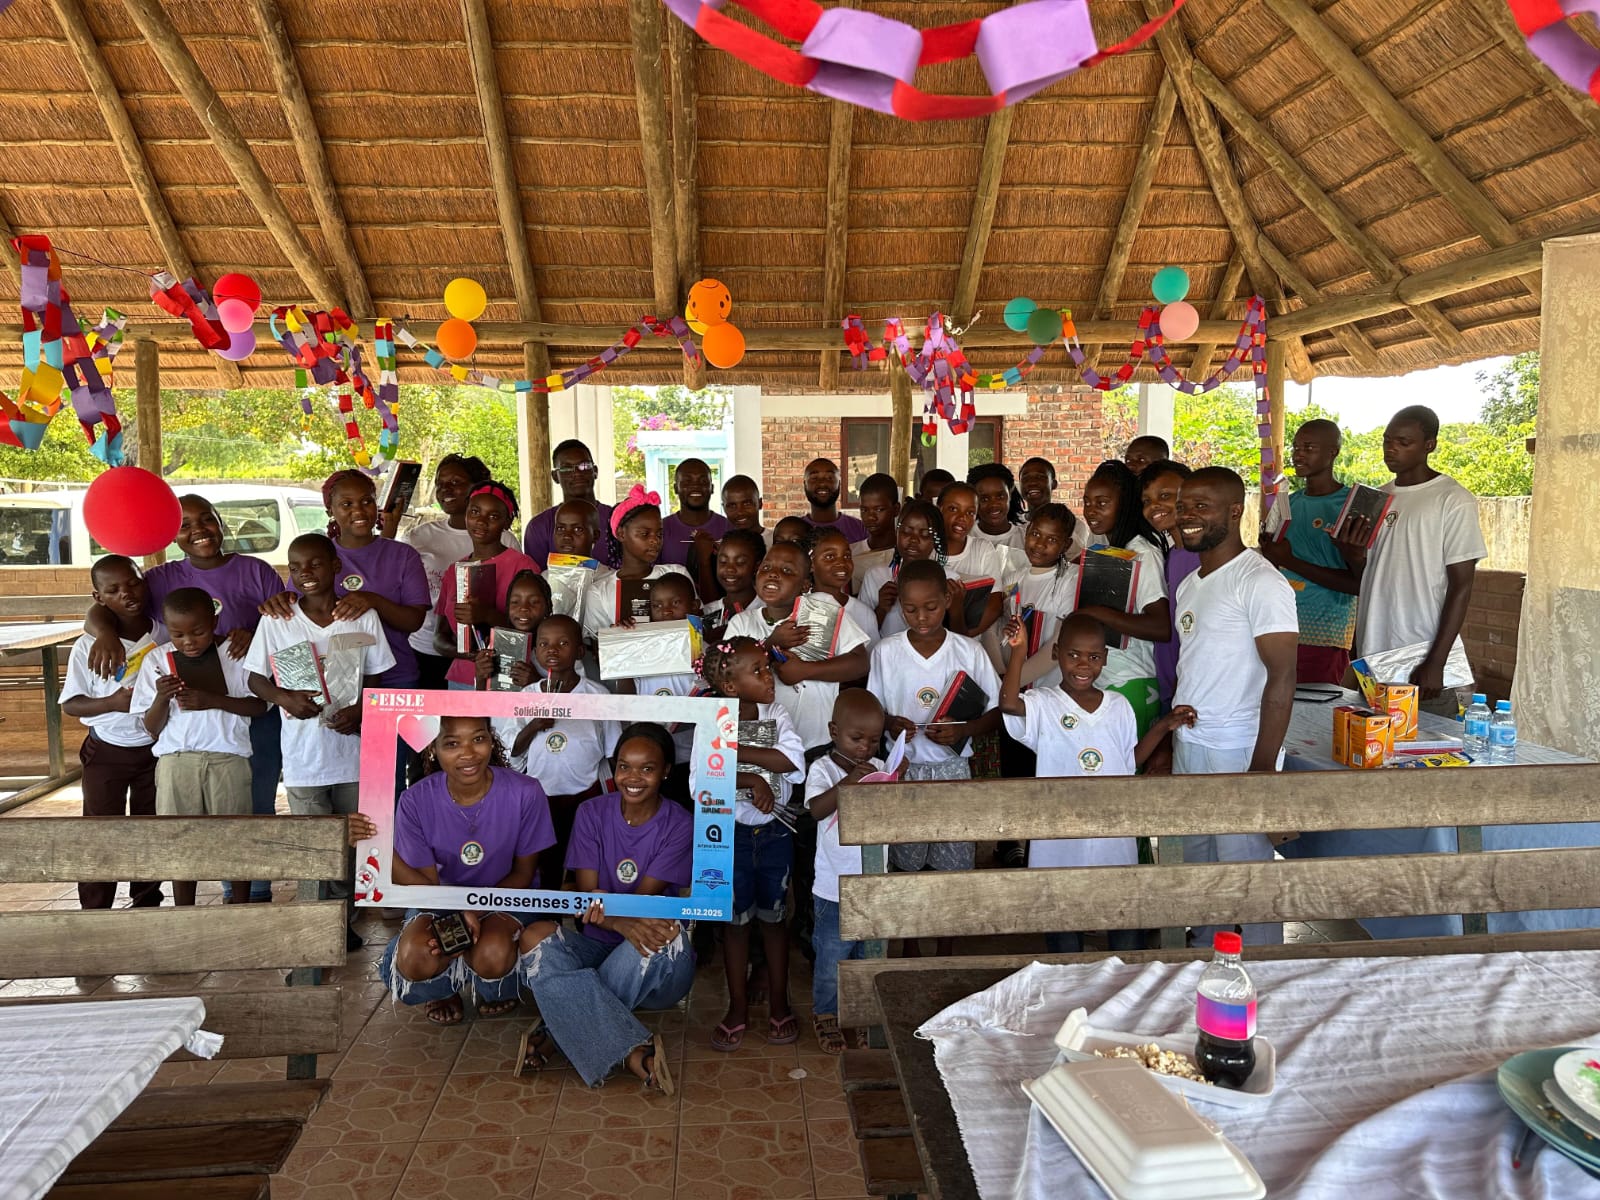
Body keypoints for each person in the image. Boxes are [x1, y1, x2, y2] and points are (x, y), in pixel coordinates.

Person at [85, 493, 288, 901]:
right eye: (184, 524)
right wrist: (104, 632)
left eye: (206, 519)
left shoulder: (256, 571)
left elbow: (283, 623)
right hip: (186, 739)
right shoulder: (160, 579)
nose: (198, 530)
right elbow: (113, 601)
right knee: (185, 827)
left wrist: (253, 634)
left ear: (220, 521)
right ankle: (216, 897)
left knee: (252, 801)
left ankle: (253, 896)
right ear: (171, 534)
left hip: (246, 699)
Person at [999, 611, 1195, 951]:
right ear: (1056, 653)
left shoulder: (1118, 705)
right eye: (1073, 655)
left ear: (1105, 658)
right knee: (1062, 919)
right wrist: (1018, 651)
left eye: (1093, 657)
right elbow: (1008, 703)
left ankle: (1124, 977)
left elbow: (1129, 761)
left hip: (1111, 833)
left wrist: (1164, 726)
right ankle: (1069, 978)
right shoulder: (1043, 703)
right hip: (1060, 836)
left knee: (1121, 916)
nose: (1083, 665)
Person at [516, 722, 694, 1093]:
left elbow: (640, 904)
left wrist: (613, 918)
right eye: (624, 766)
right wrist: (615, 921)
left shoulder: (679, 822)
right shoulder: (592, 812)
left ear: (666, 771)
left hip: (652, 963)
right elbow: (586, 893)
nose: (633, 778)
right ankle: (629, 1051)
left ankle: (557, 1032)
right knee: (535, 935)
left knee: (663, 930)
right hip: (597, 946)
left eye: (647, 768)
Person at [245, 533, 394, 946]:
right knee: (313, 844)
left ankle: (341, 919)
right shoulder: (278, 620)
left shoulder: (361, 616)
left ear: (336, 567)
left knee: (351, 841)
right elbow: (255, 678)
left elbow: (377, 676)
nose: (304, 573)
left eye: (314, 564)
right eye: (295, 567)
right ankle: (317, 924)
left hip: (352, 752)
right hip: (303, 756)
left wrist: (360, 711)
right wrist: (284, 698)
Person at [357, 715, 555, 1024]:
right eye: (452, 743)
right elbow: (425, 885)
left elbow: (523, 875)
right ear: (433, 748)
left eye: (478, 739)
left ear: (491, 740)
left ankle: (492, 986)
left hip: (507, 896)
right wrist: (376, 844)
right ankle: (443, 987)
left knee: (492, 953)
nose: (468, 753)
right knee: (416, 956)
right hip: (438, 898)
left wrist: (473, 911)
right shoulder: (415, 800)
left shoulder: (526, 791)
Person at [1171, 467, 1298, 945]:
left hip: (1238, 748)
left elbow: (1283, 675)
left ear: (1233, 511)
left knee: (1245, 873)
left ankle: (1263, 964)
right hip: (1192, 744)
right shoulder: (1190, 584)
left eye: (1201, 506)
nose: (1187, 515)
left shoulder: (1259, 581)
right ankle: (1204, 954)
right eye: (1183, 506)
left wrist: (1262, 766)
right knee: (1199, 863)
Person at [866, 559, 1001, 957]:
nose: (921, 617)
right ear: (899, 606)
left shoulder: (968, 651)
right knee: (906, 862)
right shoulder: (886, 652)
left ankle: (946, 949)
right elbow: (872, 711)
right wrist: (890, 722)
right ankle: (909, 945)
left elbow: (996, 713)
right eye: (910, 609)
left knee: (952, 865)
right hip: (903, 769)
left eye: (931, 607)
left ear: (947, 600)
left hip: (952, 770)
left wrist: (964, 730)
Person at [1336, 405, 1486, 714]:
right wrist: (1352, 554)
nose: (1391, 448)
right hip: (1374, 654)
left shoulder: (1452, 499)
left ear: (1429, 445)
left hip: (1420, 658)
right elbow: (1369, 577)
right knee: (1373, 741)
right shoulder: (1375, 498)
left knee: (1425, 742)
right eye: (1387, 440)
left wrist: (1436, 662)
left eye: (1404, 442)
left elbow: (1461, 586)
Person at [129, 586, 267, 907]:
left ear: (215, 621)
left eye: (198, 632)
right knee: (179, 839)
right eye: (177, 634)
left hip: (228, 759)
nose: (188, 641)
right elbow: (150, 728)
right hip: (176, 761)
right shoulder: (157, 660)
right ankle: (184, 910)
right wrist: (161, 697)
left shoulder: (236, 653)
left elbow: (260, 706)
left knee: (235, 839)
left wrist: (213, 700)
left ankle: (239, 908)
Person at [700, 637, 805, 1051]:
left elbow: (791, 762)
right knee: (735, 924)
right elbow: (701, 782)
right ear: (730, 686)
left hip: (775, 834)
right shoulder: (712, 721)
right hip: (731, 836)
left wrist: (735, 753)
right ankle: (737, 1007)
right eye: (758, 671)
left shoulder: (776, 714)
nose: (769, 676)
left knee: (775, 921)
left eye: (767, 667)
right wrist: (751, 779)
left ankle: (779, 1002)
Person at [61, 556, 163, 910]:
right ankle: (95, 909)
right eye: (114, 590)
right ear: (98, 597)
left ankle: (147, 902)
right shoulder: (87, 646)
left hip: (155, 750)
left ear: (145, 583)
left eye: (133, 583)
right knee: (100, 830)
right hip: (106, 751)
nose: (127, 594)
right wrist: (112, 703)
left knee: (150, 828)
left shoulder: (164, 634)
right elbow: (71, 704)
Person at [492, 614, 617, 891]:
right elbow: (512, 751)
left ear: (579, 651)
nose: (552, 649)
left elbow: (612, 749)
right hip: (541, 796)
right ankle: (548, 913)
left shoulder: (597, 695)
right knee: (546, 864)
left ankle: (582, 913)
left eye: (563, 643)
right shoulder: (526, 696)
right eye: (544, 643)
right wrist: (535, 725)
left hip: (585, 794)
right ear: (535, 651)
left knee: (584, 864)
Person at [727, 541, 871, 751]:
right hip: (767, 749)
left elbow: (860, 663)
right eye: (766, 567)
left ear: (804, 586)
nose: (773, 574)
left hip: (818, 744)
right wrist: (771, 644)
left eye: (787, 570)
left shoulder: (822, 609)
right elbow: (728, 675)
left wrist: (805, 670)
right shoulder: (741, 623)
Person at [805, 688, 885, 1054]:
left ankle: (864, 1014)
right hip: (833, 888)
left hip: (873, 886)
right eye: (857, 739)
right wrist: (848, 782)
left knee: (868, 956)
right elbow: (816, 810)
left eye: (874, 740)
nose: (865, 748)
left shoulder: (879, 768)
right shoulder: (822, 769)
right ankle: (826, 1012)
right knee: (831, 958)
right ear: (833, 731)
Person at [1258, 419, 1359, 684]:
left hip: (1325, 630)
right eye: (1296, 447)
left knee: (1315, 705)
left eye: (1309, 447)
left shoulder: (1349, 505)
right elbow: (1276, 564)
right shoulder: (1288, 503)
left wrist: (1290, 560)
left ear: (1333, 452)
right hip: (1280, 624)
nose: (1298, 454)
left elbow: (1357, 583)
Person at [1075, 461, 1171, 737]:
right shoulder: (1110, 548)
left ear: (1126, 503)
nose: (1091, 510)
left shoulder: (1142, 551)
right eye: (1087, 502)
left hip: (1131, 681)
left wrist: (1095, 613)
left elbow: (1160, 625)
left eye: (1102, 503)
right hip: (1109, 678)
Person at [396, 455, 501, 690]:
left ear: (477, 487)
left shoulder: (501, 538)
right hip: (425, 648)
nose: (445, 489)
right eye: (440, 483)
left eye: (455, 482)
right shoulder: (418, 537)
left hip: (482, 655)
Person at [433, 482, 539, 689]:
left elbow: (536, 633)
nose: (481, 521)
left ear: (507, 522)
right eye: (475, 512)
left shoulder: (524, 567)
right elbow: (439, 637)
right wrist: (469, 655)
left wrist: (488, 615)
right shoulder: (454, 570)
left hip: (509, 677)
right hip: (462, 679)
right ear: (466, 515)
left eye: (493, 516)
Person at [622, 573, 705, 806]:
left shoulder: (704, 652)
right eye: (657, 606)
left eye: (675, 603)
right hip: (648, 756)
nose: (666, 611)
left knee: (684, 811)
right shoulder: (640, 650)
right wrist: (622, 646)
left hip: (689, 756)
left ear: (695, 606)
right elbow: (627, 696)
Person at [580, 485, 694, 653]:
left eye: (659, 534)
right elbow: (596, 647)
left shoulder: (677, 575)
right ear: (621, 534)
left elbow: (697, 624)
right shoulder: (600, 591)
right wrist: (616, 633)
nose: (655, 541)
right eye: (644, 534)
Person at [1140, 459, 1198, 722]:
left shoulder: (1202, 559)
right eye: (1146, 501)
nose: (1154, 506)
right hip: (1168, 688)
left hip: (1188, 694)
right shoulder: (1172, 555)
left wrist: (1181, 688)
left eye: (1164, 496)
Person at [860, 499, 946, 638]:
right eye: (906, 532)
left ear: (936, 540)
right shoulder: (875, 575)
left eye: (924, 534)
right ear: (897, 532)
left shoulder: (947, 578)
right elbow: (861, 634)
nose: (913, 540)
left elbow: (956, 637)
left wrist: (956, 609)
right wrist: (881, 609)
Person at [523, 439, 613, 566]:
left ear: (595, 471)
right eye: (566, 469)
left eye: (584, 466)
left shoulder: (616, 519)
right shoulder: (539, 526)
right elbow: (537, 576)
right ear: (555, 476)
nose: (577, 473)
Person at [935, 481, 1008, 637]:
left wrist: (966, 636)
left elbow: (995, 604)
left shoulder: (982, 549)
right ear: (939, 509)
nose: (962, 517)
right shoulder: (925, 548)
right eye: (953, 509)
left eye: (970, 512)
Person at [659, 458, 729, 605]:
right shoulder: (660, 529)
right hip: (671, 614)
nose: (696, 486)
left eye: (703, 481)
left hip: (719, 612)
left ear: (712, 487)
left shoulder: (728, 528)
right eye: (687, 481)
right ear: (675, 488)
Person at [472, 569, 550, 692]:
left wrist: (536, 683)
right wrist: (481, 677)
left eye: (534, 602)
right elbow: (482, 697)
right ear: (508, 607)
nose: (524, 608)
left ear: (547, 607)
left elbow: (574, 696)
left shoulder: (555, 645)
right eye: (515, 602)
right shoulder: (496, 645)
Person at [810, 529, 880, 650]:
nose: (842, 563)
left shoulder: (864, 613)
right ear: (811, 564)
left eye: (847, 556)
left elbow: (870, 657)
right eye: (830, 556)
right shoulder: (799, 605)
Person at [703, 527, 762, 636]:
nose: (729, 569)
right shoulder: (707, 613)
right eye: (723, 561)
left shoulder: (767, 610)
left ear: (757, 566)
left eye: (740, 562)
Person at [850, 472, 900, 591]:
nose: (870, 517)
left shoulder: (909, 553)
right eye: (864, 510)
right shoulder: (850, 554)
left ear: (896, 509)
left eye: (879, 509)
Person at [800, 458, 868, 543]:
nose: (822, 483)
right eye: (814, 478)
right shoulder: (794, 531)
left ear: (839, 484)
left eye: (829, 478)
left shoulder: (861, 529)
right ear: (805, 485)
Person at [968, 462, 1027, 552]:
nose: (993, 504)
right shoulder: (965, 538)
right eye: (984, 499)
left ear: (1010, 494)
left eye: (1000, 497)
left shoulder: (1026, 539)